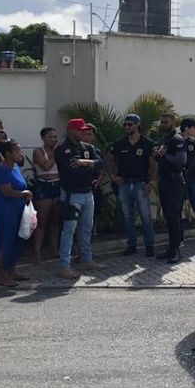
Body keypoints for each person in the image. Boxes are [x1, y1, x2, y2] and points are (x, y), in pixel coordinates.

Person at [56, 118, 102, 279]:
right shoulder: (63, 149)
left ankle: (86, 259)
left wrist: (84, 162)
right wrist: (89, 167)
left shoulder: (87, 147)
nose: (82, 133)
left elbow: (100, 163)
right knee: (69, 230)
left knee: (86, 228)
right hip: (72, 194)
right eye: (79, 130)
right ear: (71, 131)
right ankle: (64, 265)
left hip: (88, 193)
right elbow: (72, 169)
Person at [108, 114, 156, 257]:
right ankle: (132, 245)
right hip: (124, 184)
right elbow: (109, 159)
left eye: (130, 124)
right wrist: (112, 176)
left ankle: (149, 246)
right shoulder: (119, 143)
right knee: (127, 216)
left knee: (146, 217)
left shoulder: (147, 143)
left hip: (141, 183)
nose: (127, 127)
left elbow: (153, 164)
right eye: (125, 125)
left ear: (137, 125)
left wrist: (151, 182)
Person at [0, 140, 32, 287]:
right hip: (6, 211)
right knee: (5, 242)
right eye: (16, 151)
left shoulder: (14, 167)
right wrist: (24, 193)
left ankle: (12, 270)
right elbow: (7, 191)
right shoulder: (1, 170)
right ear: (7, 153)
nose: (20, 154)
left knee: (17, 241)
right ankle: (3, 276)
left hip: (18, 210)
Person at [153, 113, 187, 263]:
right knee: (169, 216)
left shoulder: (177, 139)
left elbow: (181, 160)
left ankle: (176, 250)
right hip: (165, 181)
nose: (163, 124)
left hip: (174, 181)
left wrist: (164, 156)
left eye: (166, 122)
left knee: (174, 216)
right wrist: (157, 155)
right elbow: (159, 158)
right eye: (162, 122)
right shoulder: (165, 139)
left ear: (173, 123)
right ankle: (171, 248)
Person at [31, 127, 62, 262]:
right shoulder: (38, 151)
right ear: (43, 138)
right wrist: (55, 152)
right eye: (50, 137)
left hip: (58, 184)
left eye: (55, 137)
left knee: (55, 220)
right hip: (44, 185)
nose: (54, 139)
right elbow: (46, 166)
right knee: (42, 220)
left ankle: (54, 249)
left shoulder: (60, 152)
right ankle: (36, 251)